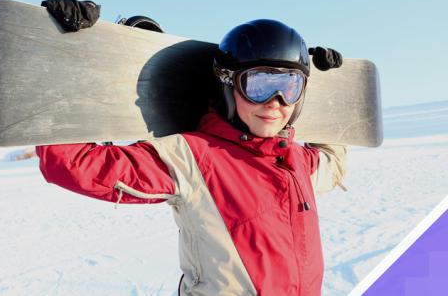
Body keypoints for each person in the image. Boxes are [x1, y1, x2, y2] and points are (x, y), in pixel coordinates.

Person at [36, 19, 347, 295]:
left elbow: (334, 164)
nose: (275, 102)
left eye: (290, 87)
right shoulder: (192, 157)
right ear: (228, 85)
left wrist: (331, 89)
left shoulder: (298, 161)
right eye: (259, 85)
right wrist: (72, 61)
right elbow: (73, 164)